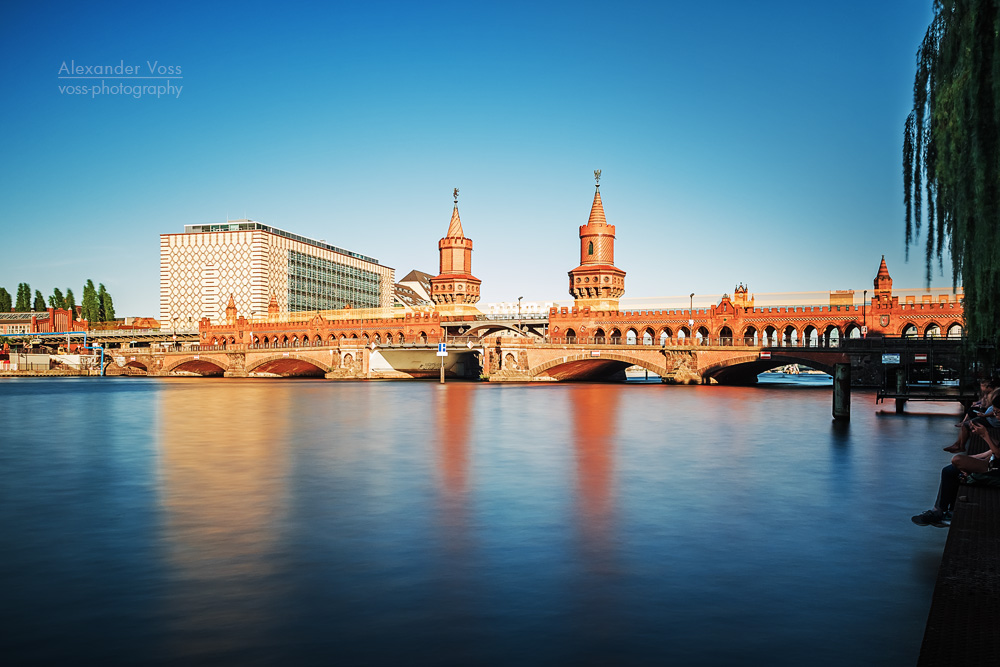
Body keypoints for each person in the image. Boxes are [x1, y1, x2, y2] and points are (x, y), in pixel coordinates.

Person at [913, 420, 1000, 527]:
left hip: (995, 472)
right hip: (991, 465)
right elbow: (991, 451)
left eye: (997, 412)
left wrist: (985, 435)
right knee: (949, 470)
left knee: (956, 461)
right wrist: (970, 460)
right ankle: (941, 510)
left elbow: (998, 454)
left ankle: (945, 512)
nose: (995, 415)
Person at [944, 387, 1000, 453]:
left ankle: (961, 446)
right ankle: (958, 444)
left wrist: (984, 416)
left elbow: (994, 412)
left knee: (966, 424)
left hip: (990, 420)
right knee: (969, 415)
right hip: (987, 417)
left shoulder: (996, 401)